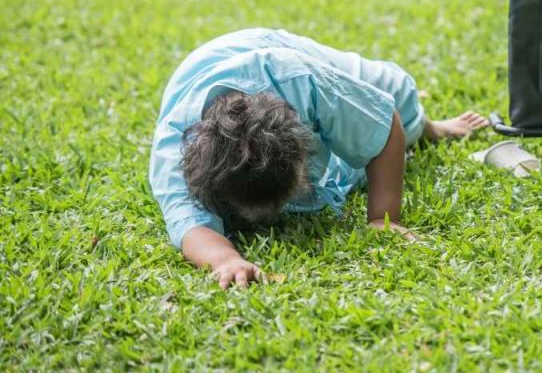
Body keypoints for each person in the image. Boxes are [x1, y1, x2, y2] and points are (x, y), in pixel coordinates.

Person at [148, 28, 487, 289]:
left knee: (399, 94)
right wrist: (226, 259)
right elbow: (188, 223)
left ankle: (431, 127)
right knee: (353, 165)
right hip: (209, 64)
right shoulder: (173, 154)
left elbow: (386, 122)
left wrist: (383, 218)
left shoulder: (302, 79)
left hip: (279, 53)